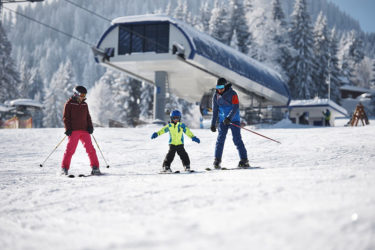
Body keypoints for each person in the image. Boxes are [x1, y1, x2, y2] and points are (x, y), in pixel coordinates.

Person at [210, 77, 249, 169]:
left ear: (225, 86)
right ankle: (217, 160)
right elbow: (215, 111)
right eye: (217, 87)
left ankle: (244, 160)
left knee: (236, 139)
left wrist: (229, 118)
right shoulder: (216, 96)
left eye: (221, 87)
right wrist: (213, 124)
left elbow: (235, 107)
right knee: (220, 140)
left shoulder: (233, 94)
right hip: (223, 120)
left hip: (234, 119)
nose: (219, 90)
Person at [61, 86, 101, 175]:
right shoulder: (69, 104)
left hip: (85, 131)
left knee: (91, 149)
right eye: (81, 94)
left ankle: (95, 168)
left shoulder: (84, 104)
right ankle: (64, 169)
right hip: (74, 131)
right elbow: (66, 118)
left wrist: (90, 127)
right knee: (70, 150)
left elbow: (88, 117)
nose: (83, 96)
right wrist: (68, 129)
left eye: (84, 95)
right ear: (76, 94)